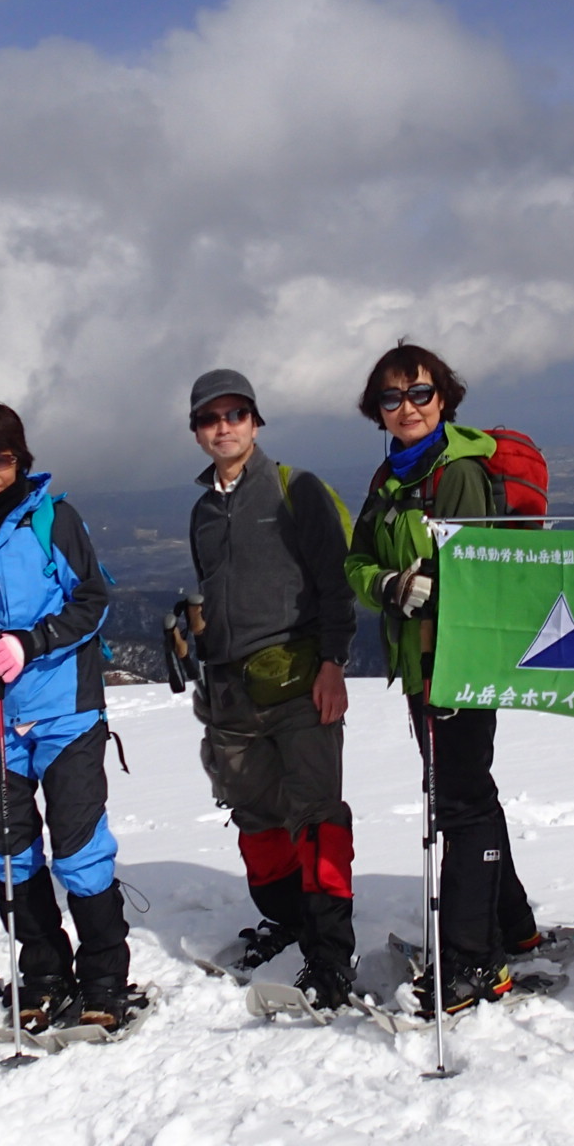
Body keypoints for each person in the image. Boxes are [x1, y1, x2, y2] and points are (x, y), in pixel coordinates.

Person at [345, 342, 548, 1014]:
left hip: (457, 664)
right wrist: (387, 583)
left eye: (420, 393)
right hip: (419, 665)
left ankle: (472, 961)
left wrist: (438, 591)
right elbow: (358, 563)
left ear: (445, 398)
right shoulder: (391, 480)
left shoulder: (456, 470)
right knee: (465, 793)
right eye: (392, 398)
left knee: (458, 805)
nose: (407, 408)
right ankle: (512, 929)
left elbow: (483, 567)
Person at [0, 402, 135, 1030]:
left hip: (65, 710)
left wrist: (30, 643)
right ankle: (45, 972)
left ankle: (104, 976)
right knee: (9, 854)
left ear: (21, 459)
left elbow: (93, 599)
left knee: (79, 851)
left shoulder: (53, 520)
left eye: (1, 458)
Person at [183, 368, 359, 1008]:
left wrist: (334, 663)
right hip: (229, 692)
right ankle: (287, 920)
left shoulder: (296, 489)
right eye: (210, 418)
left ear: (256, 422)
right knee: (257, 818)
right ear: (198, 432)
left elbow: (335, 586)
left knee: (316, 815)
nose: (223, 427)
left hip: (298, 680)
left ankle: (330, 954)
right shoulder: (204, 510)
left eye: (235, 415)